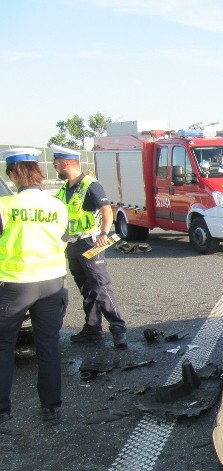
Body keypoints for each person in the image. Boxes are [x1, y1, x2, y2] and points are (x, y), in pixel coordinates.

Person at [0, 148, 69, 423]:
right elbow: (63, 237)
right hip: (52, 282)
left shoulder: (5, 206)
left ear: (13, 175)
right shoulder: (56, 205)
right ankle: (51, 407)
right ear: (38, 173)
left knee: (4, 344)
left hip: (16, 284)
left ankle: (3, 409)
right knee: (48, 344)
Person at [50, 144, 127, 348]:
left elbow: (106, 209)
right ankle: (92, 329)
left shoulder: (90, 185)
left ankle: (118, 329)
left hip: (90, 243)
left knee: (100, 286)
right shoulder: (65, 188)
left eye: (56, 163)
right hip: (72, 244)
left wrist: (104, 233)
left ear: (65, 163)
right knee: (86, 288)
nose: (54, 166)